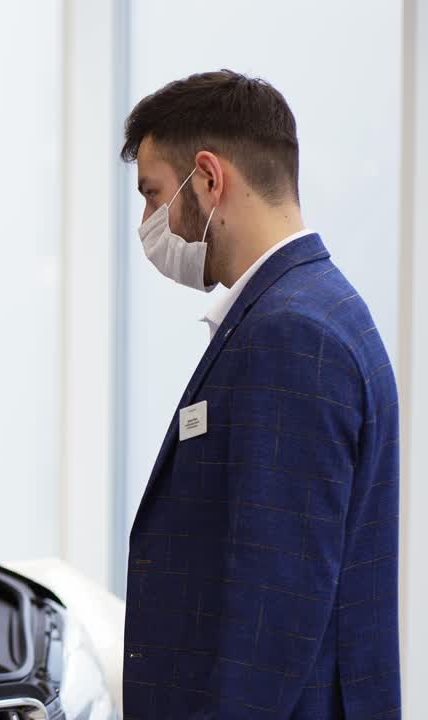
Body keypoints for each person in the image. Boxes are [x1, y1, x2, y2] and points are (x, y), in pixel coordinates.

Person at [120, 71, 400, 719]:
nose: (148, 223)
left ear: (208, 179)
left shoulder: (291, 333)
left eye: (153, 195)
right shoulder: (310, 306)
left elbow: (273, 614)